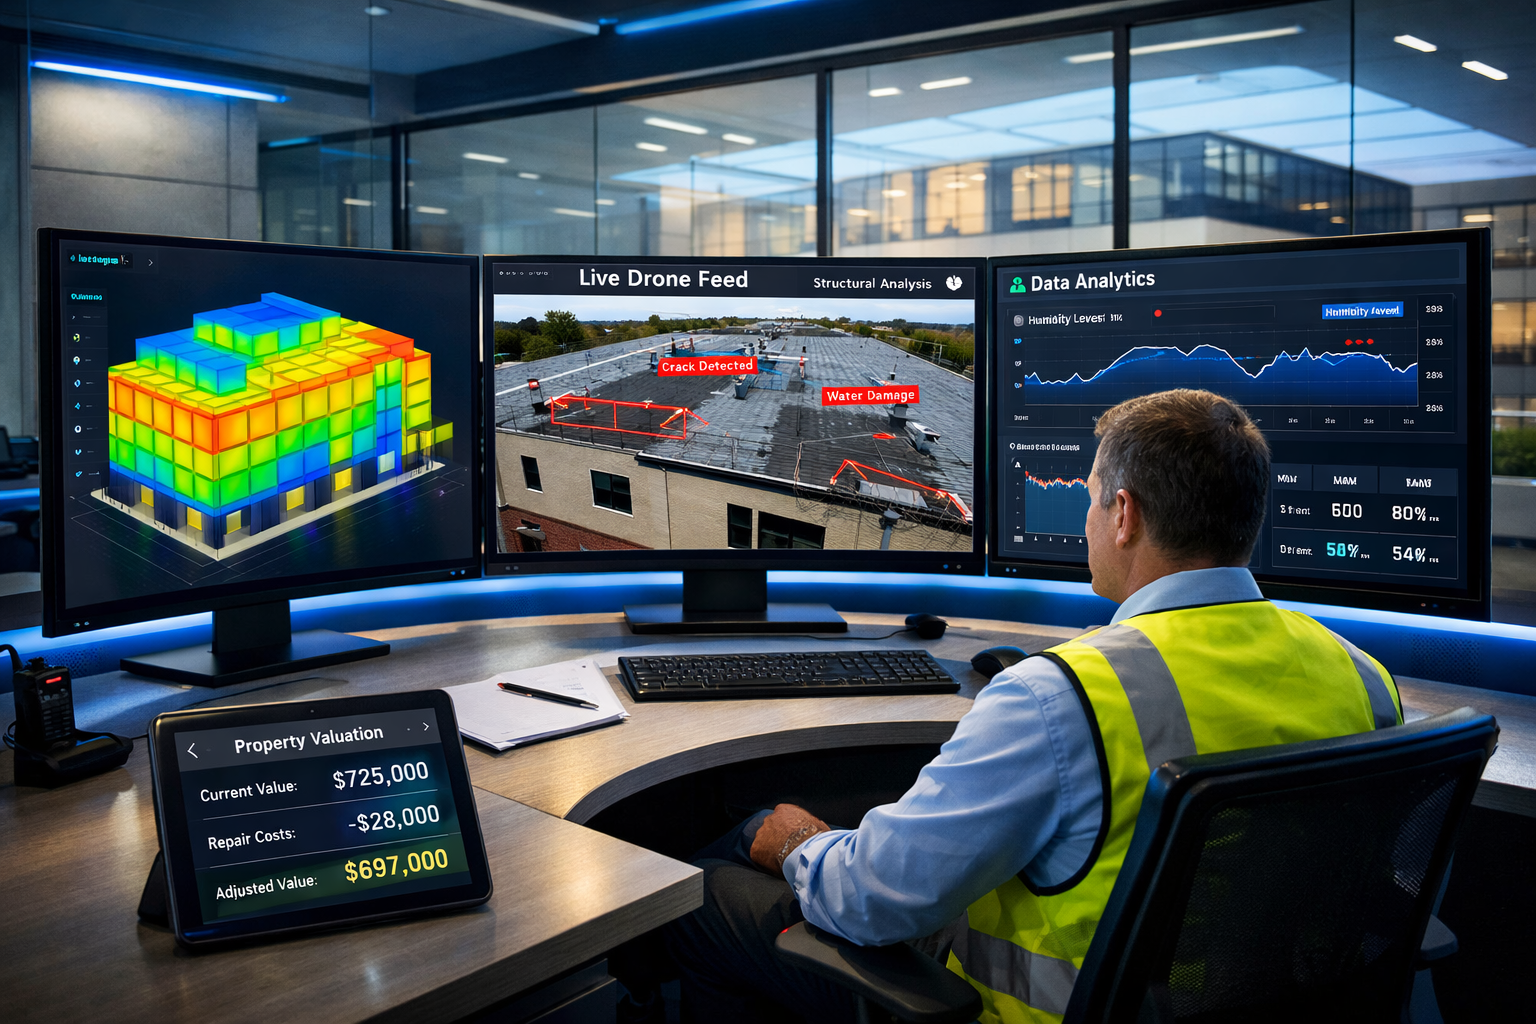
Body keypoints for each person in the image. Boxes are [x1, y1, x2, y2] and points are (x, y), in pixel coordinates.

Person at [645, 389, 1401, 1024]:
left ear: (1125, 515)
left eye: (1092, 496)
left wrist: (795, 841)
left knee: (709, 890)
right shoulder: (1364, 677)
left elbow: (870, 903)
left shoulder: (1061, 696)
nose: (1086, 518)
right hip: (1239, 998)